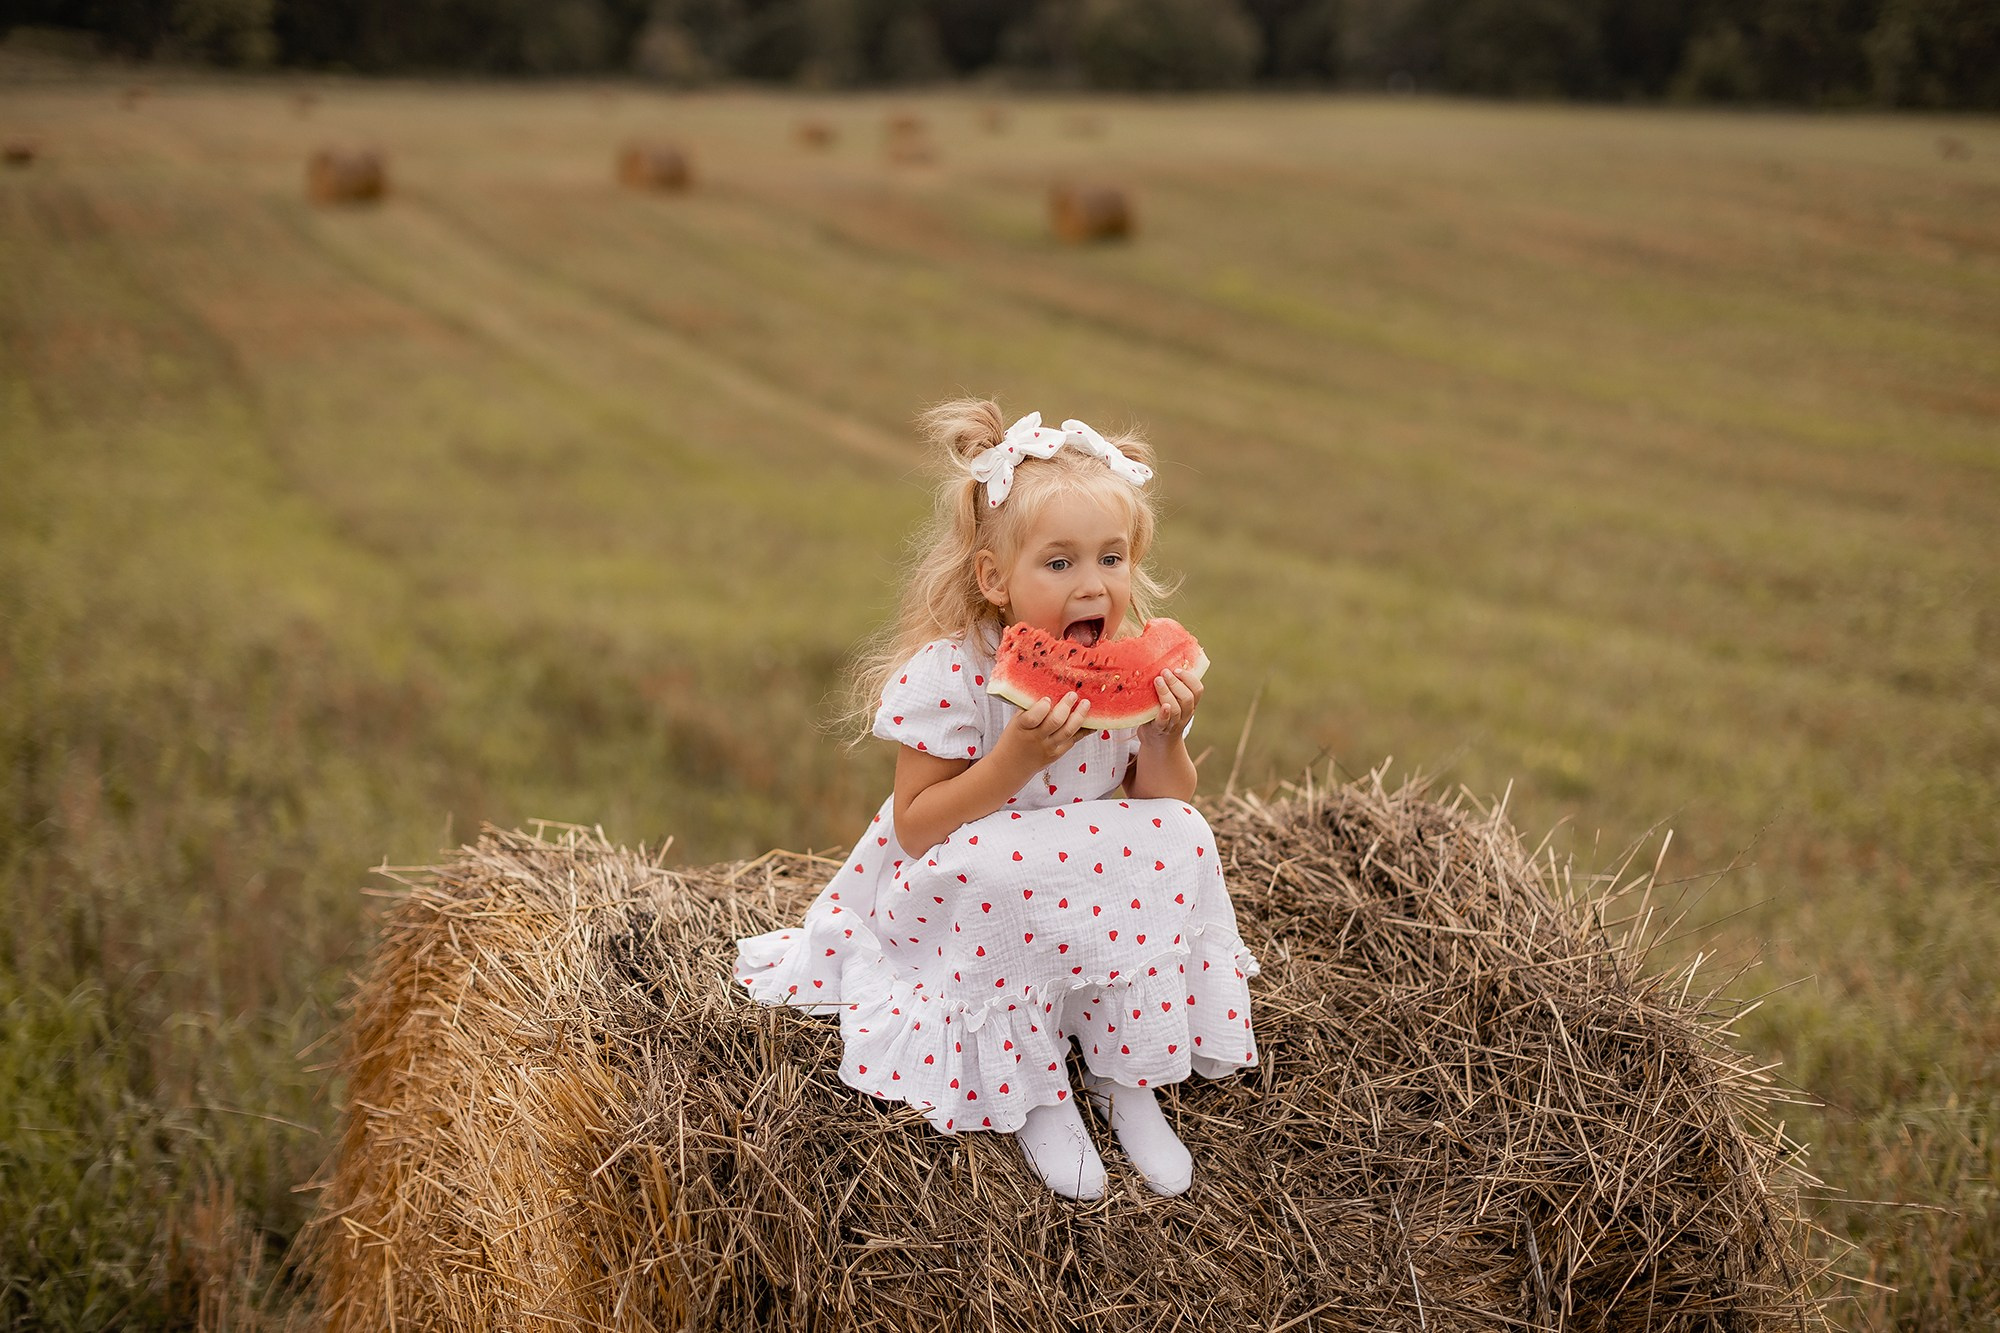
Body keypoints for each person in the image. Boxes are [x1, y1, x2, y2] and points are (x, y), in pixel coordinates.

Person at [734, 399, 1259, 1200]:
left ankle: (1130, 1076)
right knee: (1001, 866)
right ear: (994, 578)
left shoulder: (1122, 665)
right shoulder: (949, 677)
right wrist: (1014, 759)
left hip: (1079, 891)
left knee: (1185, 830)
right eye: (1060, 563)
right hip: (963, 891)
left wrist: (1163, 737)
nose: (1093, 583)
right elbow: (915, 827)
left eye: (1111, 559)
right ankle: (1038, 1089)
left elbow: (1158, 801)